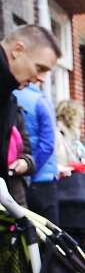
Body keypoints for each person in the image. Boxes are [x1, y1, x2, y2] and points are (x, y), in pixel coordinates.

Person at [0, 26, 59, 205]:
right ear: (17, 50)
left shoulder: (9, 96)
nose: (41, 78)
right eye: (39, 67)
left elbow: (25, 148)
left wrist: (26, 162)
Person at [15, 71, 59, 222]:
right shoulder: (40, 101)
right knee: (47, 233)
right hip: (42, 178)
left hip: (14, 177)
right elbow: (48, 144)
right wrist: (31, 168)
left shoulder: (10, 97)